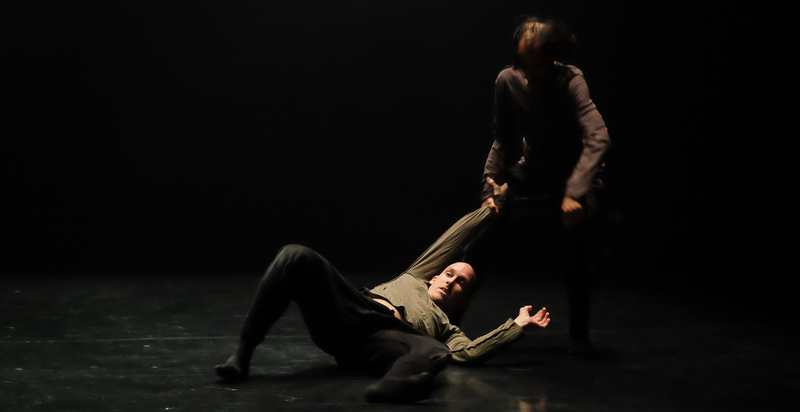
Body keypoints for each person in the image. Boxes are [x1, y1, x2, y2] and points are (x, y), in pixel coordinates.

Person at [214, 206, 550, 404]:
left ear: (464, 299)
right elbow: (452, 239)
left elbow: (471, 353)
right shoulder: (416, 277)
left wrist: (517, 326)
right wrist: (488, 211)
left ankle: (391, 387)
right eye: (449, 273)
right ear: (434, 276)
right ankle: (243, 354)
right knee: (295, 255)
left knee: (438, 352)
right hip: (350, 310)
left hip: (379, 343)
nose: (451, 280)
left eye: (461, 282)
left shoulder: (448, 330)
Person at [463, 17, 610, 354]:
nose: (529, 74)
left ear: (553, 60)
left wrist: (574, 193)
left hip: (573, 178)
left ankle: (580, 338)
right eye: (523, 64)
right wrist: (489, 190)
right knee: (478, 245)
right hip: (532, 175)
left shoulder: (570, 81)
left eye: (537, 66)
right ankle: (446, 325)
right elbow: (502, 140)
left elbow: (598, 137)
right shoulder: (508, 80)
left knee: (576, 251)